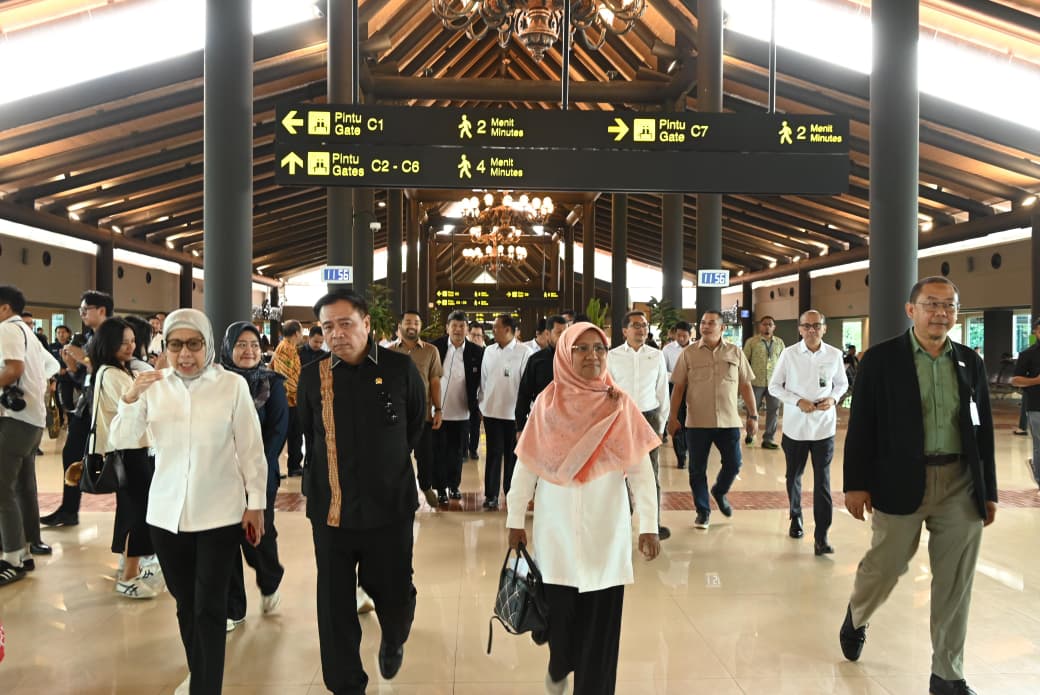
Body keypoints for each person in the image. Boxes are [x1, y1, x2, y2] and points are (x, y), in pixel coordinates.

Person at [839, 277, 997, 695]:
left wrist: (989, 490)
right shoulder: (880, 360)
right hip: (898, 480)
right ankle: (858, 614)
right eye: (931, 304)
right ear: (911, 310)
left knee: (955, 582)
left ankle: (947, 674)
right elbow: (862, 425)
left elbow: (982, 430)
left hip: (960, 483)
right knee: (886, 566)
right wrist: (856, 484)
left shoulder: (969, 361)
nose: (940, 313)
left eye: (949, 305)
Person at [110, 308, 267, 695]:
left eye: (194, 344)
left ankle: (206, 686)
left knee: (209, 606)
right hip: (166, 515)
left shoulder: (231, 385)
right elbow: (122, 439)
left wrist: (256, 503)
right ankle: (200, 672)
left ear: (207, 345)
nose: (184, 354)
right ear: (164, 346)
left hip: (219, 513)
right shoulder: (154, 385)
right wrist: (130, 397)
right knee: (185, 603)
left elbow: (251, 450)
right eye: (176, 344)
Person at [506, 322, 661, 695]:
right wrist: (515, 519)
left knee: (601, 635)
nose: (593, 356)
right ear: (565, 354)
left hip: (606, 535)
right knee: (560, 624)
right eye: (582, 348)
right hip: (556, 534)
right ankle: (559, 665)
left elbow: (642, 473)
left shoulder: (619, 405)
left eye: (599, 348)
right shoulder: (546, 405)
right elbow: (525, 467)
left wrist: (649, 525)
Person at [297, 290, 425, 694]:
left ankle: (394, 636)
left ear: (366, 324)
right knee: (334, 606)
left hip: (390, 508)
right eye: (327, 327)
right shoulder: (312, 376)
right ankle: (346, 684)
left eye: (345, 324)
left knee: (394, 593)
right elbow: (309, 432)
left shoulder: (400, 369)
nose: (336, 334)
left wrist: (386, 463)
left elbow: (414, 424)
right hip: (331, 509)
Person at [84, 317, 162, 598]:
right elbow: (137, 408)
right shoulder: (113, 374)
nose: (130, 346)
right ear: (108, 343)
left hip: (132, 449)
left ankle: (128, 566)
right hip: (129, 451)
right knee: (138, 512)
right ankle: (129, 576)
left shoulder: (118, 370)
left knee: (132, 510)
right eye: (123, 342)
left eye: (132, 341)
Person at [221, 322, 288, 631]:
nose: (249, 351)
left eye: (254, 346)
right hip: (221, 475)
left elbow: (278, 430)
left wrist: (253, 466)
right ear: (228, 348)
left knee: (257, 536)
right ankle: (233, 607)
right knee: (225, 540)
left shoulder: (271, 383)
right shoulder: (216, 382)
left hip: (258, 474)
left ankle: (270, 580)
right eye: (241, 345)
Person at [667, 311, 757, 529]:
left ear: (722, 328)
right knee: (696, 469)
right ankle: (703, 511)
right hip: (697, 422)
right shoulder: (688, 353)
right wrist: (672, 417)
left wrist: (753, 415)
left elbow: (745, 385)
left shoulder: (735, 352)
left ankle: (719, 491)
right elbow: (678, 388)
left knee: (734, 463)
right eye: (703, 323)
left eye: (711, 323)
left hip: (729, 421)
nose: (705, 326)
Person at [768, 310, 848, 554]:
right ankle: (795, 516)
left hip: (824, 428)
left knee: (823, 481)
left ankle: (821, 536)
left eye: (816, 325)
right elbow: (774, 386)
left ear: (824, 328)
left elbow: (841, 383)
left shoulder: (834, 354)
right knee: (794, 476)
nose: (812, 330)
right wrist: (797, 401)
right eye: (807, 326)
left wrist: (833, 399)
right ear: (800, 329)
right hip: (795, 428)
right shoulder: (789, 354)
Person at [0, 286, 60, 586]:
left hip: (16, 421)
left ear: (4, 308)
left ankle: (12, 558)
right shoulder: (27, 333)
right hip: (32, 421)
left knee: (2, 490)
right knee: (22, 487)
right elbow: (49, 365)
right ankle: (24, 550)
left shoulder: (7, 329)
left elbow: (13, 369)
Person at [42, 289, 113, 527]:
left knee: (117, 460)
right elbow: (85, 377)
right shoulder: (90, 336)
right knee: (71, 454)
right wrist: (72, 366)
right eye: (80, 309)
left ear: (101, 310)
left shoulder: (112, 334)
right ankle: (69, 509)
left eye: (85, 309)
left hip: (105, 406)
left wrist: (81, 357)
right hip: (87, 405)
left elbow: (107, 370)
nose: (81, 313)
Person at [607, 310, 671, 540]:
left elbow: (662, 392)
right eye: (636, 325)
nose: (641, 330)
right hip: (620, 418)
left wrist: (661, 427)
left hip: (648, 417)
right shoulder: (612, 356)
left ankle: (653, 524)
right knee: (619, 472)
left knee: (651, 472)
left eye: (644, 326)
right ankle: (624, 519)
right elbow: (606, 390)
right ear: (625, 330)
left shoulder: (656, 355)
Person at [388, 310, 443, 508]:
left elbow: (434, 381)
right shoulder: (389, 352)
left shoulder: (431, 351)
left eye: (416, 323)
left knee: (425, 457)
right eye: (408, 322)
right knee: (397, 457)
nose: (412, 326)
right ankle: (401, 494)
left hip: (423, 415)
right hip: (396, 416)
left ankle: (426, 487)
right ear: (400, 326)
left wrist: (438, 409)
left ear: (420, 327)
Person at [479, 314, 532, 510]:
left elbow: (526, 385)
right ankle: (491, 495)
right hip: (492, 411)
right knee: (493, 454)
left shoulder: (524, 352)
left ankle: (510, 494)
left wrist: (524, 413)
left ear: (508, 330)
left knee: (512, 456)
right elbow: (484, 379)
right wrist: (482, 404)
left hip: (514, 415)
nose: (493, 331)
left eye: (496, 328)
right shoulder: (489, 351)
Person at [431, 311, 483, 504]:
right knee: (438, 452)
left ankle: (454, 486)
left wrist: (479, 406)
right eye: (454, 325)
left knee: (457, 453)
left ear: (467, 329)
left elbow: (483, 381)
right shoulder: (435, 347)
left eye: (462, 326)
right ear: (447, 328)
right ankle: (440, 489)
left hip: (462, 412)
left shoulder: (476, 352)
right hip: (437, 412)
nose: (458, 330)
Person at [515, 315, 568, 433]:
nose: (564, 337)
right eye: (559, 333)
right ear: (547, 334)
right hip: (542, 421)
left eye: (566, 332)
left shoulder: (574, 359)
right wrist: (520, 427)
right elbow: (524, 394)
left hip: (569, 422)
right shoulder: (536, 360)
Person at [743, 316, 785, 449]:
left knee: (774, 410)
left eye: (770, 324)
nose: (767, 326)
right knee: (752, 409)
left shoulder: (779, 343)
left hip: (774, 383)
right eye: (764, 324)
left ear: (774, 327)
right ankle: (750, 434)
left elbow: (784, 362)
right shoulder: (752, 342)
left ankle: (769, 438)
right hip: (756, 382)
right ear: (759, 326)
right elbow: (744, 361)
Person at [272, 320, 305, 477]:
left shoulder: (290, 348)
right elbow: (284, 376)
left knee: (295, 434)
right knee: (281, 436)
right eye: (301, 331)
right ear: (296, 333)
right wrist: (297, 392)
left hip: (293, 400)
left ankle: (294, 466)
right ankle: (271, 468)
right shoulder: (285, 348)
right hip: (288, 400)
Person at [1011, 317, 1040, 489]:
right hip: (1037, 406)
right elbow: (1015, 380)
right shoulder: (1028, 354)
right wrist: (1036, 380)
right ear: (1036, 332)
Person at [662, 321, 693, 469]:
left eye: (684, 336)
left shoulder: (696, 349)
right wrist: (678, 376)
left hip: (693, 389)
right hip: (674, 387)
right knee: (677, 420)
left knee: (691, 421)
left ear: (690, 335)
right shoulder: (667, 350)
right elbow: (663, 371)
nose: (680, 338)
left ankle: (688, 449)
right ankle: (681, 456)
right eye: (678, 335)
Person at [466, 322, 487, 459]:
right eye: (473, 335)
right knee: (464, 424)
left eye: (479, 335)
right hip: (464, 394)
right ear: (468, 334)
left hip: (479, 395)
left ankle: (473, 449)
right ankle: (463, 449)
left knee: (475, 424)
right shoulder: (464, 351)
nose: (476, 338)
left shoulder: (487, 352)